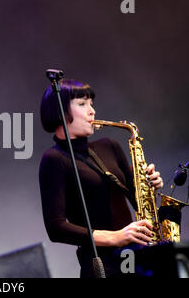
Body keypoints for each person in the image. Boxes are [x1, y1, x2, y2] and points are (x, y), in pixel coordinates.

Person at [39, 79, 163, 278]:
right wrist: (116, 237)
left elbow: (140, 202)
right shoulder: (54, 159)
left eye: (91, 104)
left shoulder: (110, 146)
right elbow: (56, 228)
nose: (92, 111)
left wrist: (149, 186)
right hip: (103, 265)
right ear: (59, 112)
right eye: (82, 104)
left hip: (135, 256)